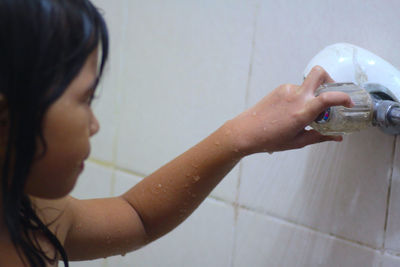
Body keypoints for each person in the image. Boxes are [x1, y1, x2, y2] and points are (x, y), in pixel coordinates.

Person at [0, 0, 354, 266]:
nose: (95, 124)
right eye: (84, 99)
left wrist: (241, 136)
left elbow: (136, 217)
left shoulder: (35, 216)